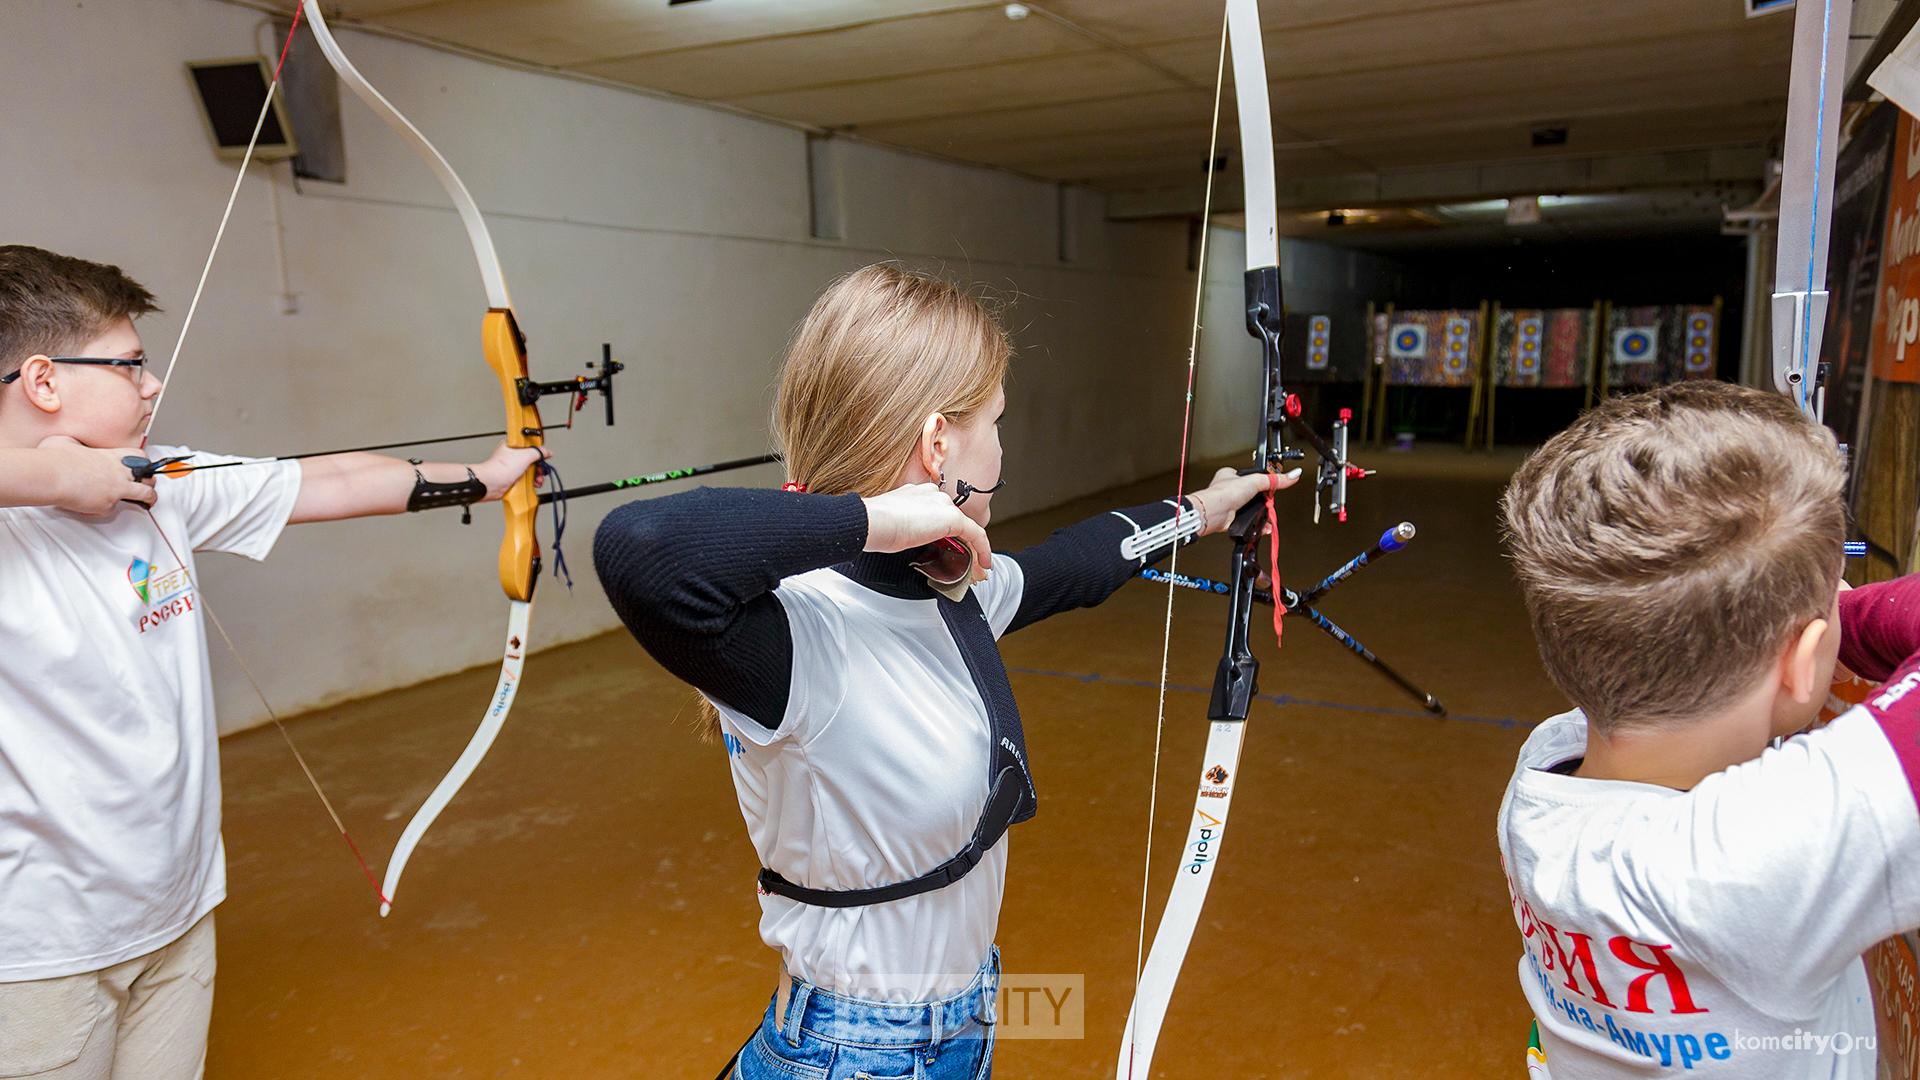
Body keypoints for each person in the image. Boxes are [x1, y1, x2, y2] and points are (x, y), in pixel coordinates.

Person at [592, 263, 1288, 1079]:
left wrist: (1205, 511)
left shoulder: (950, 592)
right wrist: (877, 517)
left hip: (964, 1015)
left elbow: (1076, 563)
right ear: (937, 444)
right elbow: (636, 549)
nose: (1005, 446)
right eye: (995, 420)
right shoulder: (800, 633)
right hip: (858, 1054)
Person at [0, 245, 545, 1079]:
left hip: (178, 911)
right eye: (130, 364)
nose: (151, 385)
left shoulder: (157, 482)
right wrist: (50, 477)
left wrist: (486, 476)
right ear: (43, 381)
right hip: (37, 956)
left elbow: (323, 481)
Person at [1497, 380, 1920, 1078]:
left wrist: (1810, 627)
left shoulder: (1548, 765)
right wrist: (1848, 624)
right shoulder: (1751, 863)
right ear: (1803, 661)